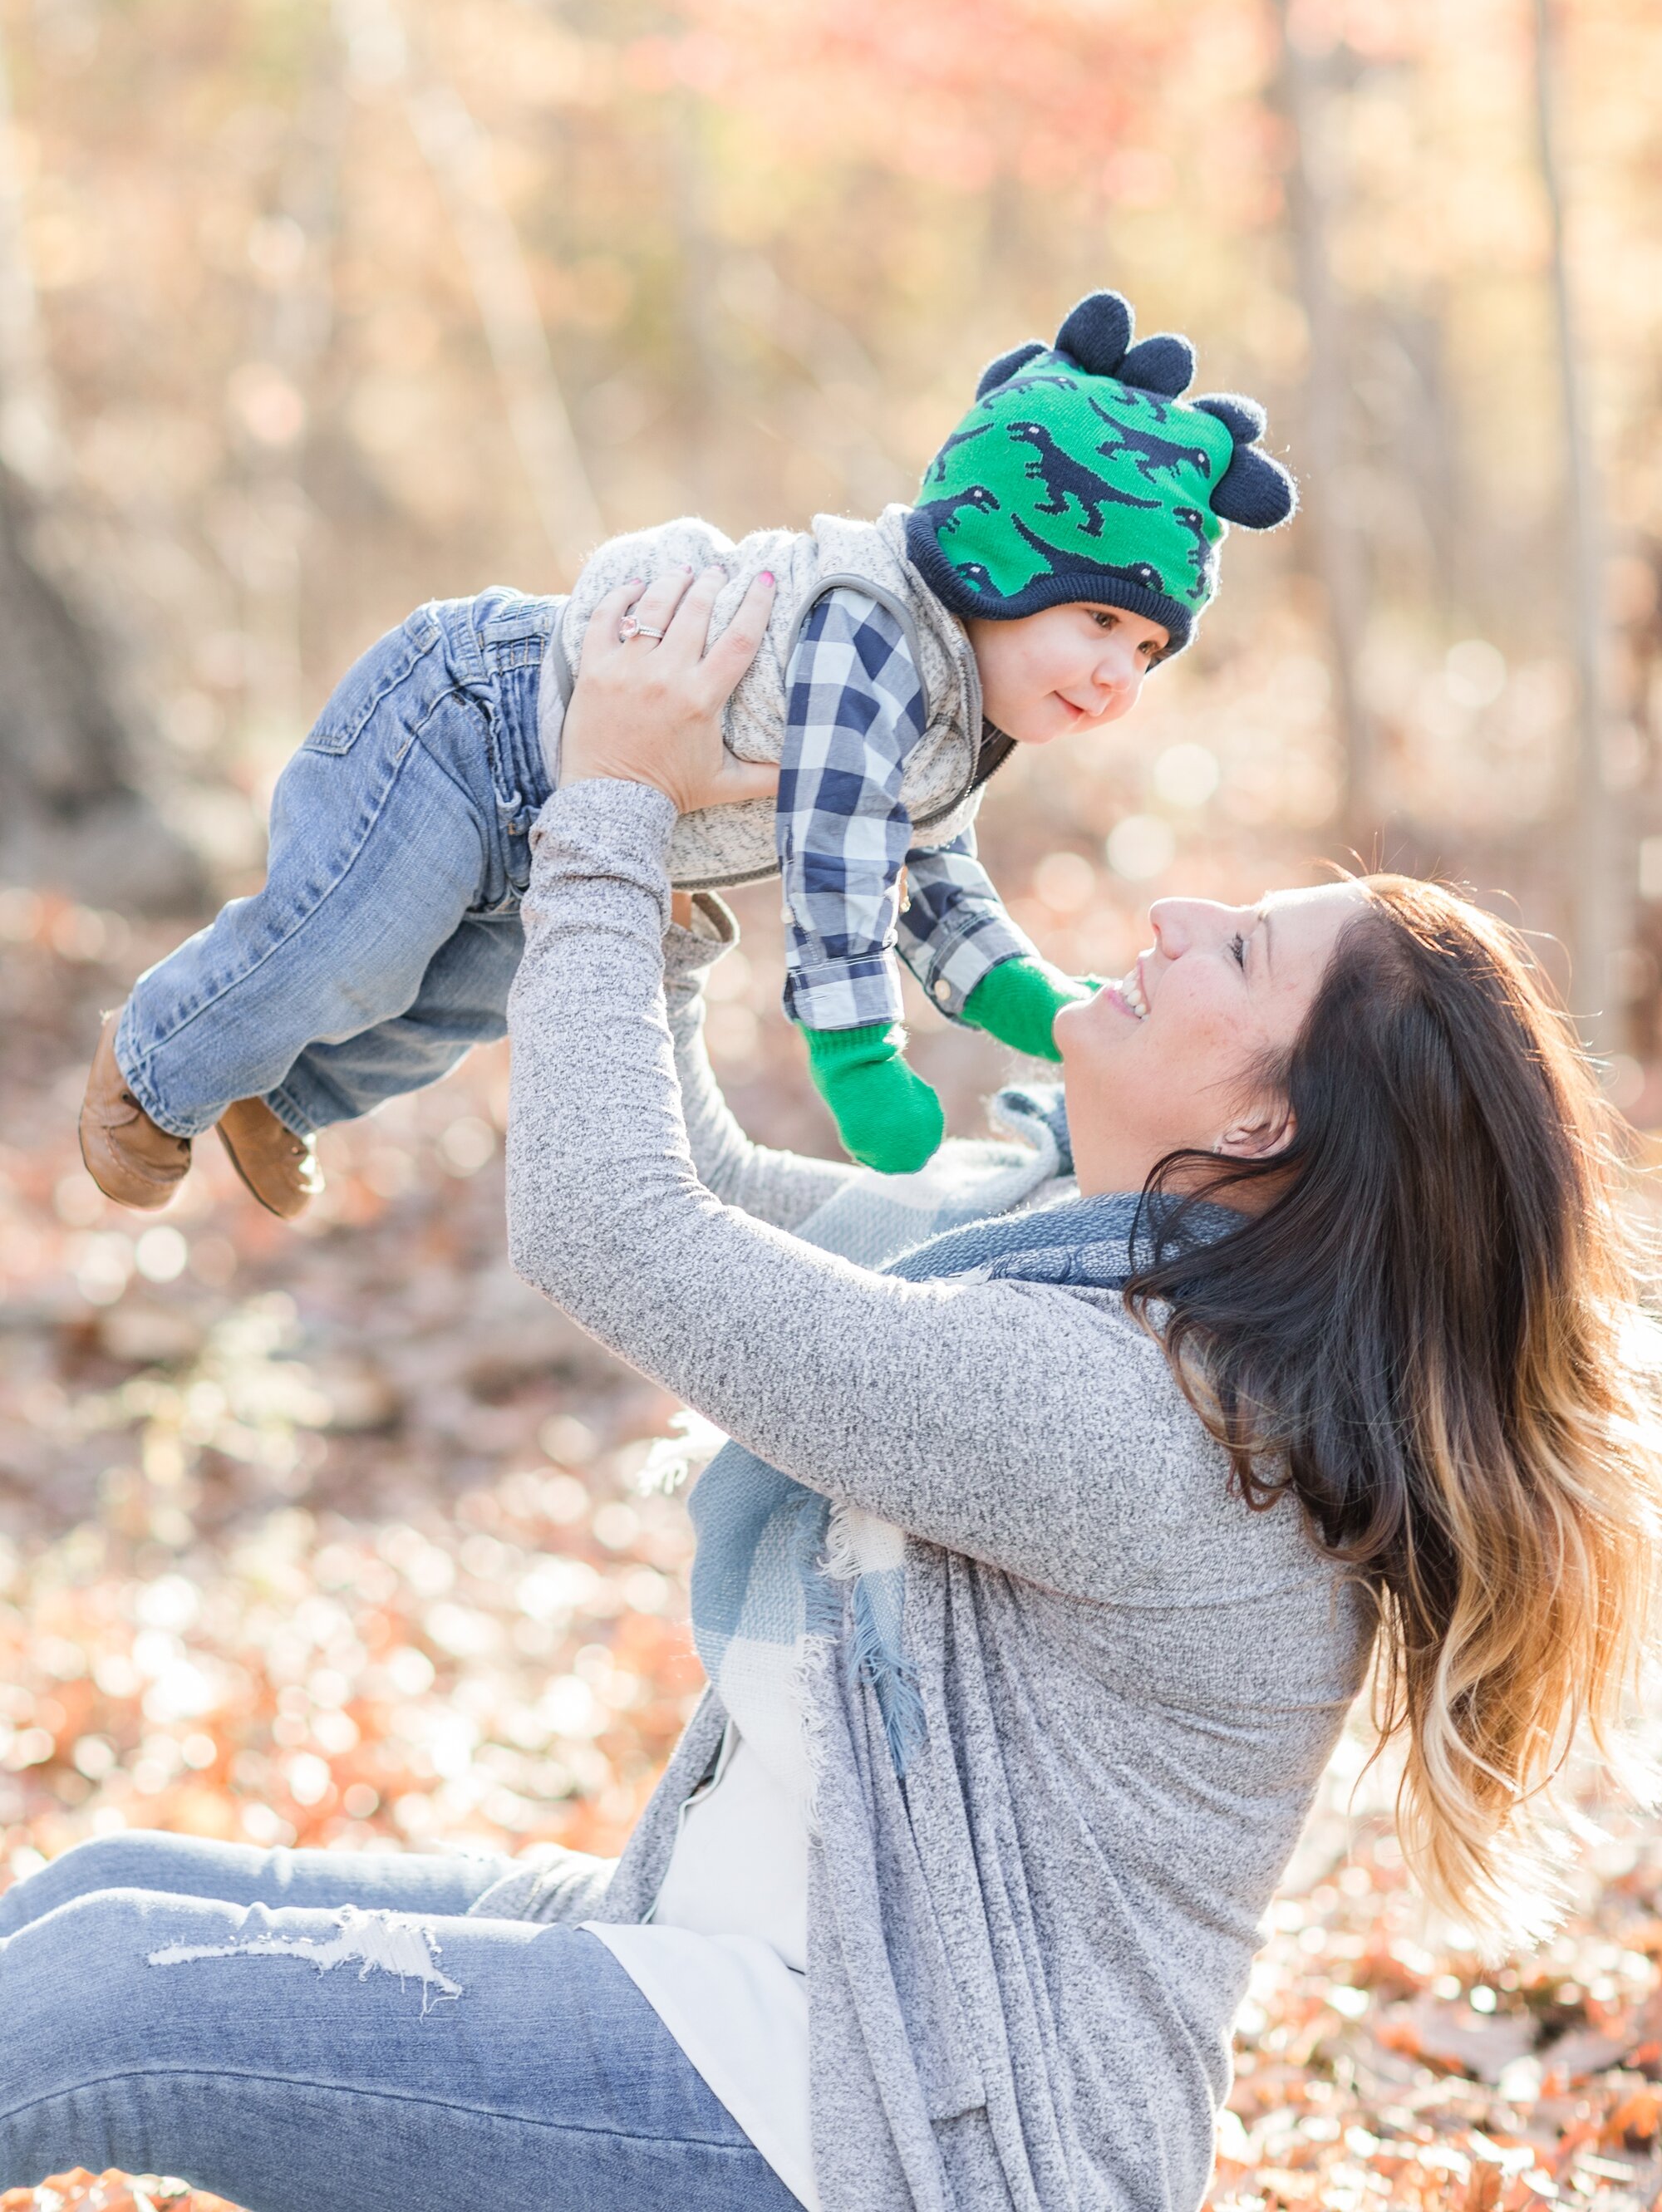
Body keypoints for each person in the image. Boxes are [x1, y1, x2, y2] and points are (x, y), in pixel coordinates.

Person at [6, 569, 1654, 2212]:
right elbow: (701, 1192)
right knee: (97, 1895)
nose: (1172, 920)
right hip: (742, 1972)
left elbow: (611, 1230)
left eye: (1236, 955)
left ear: (1257, 1130)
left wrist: (610, 809)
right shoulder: (1055, 1266)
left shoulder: (1134, 1419)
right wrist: (653, 883)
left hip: (885, 2133)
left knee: (102, 2000)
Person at [77, 289, 1296, 1218]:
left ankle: (276, 1094)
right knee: (354, 945)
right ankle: (154, 1061)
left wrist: (1037, 1008)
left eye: (1146, 652)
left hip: (573, 815)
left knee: (453, 998)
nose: (1114, 678)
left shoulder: (960, 709)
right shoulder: (871, 630)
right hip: (470, 725)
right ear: (1002, 563)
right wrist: (858, 1054)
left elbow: (931, 874)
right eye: (1098, 622)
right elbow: (834, 853)